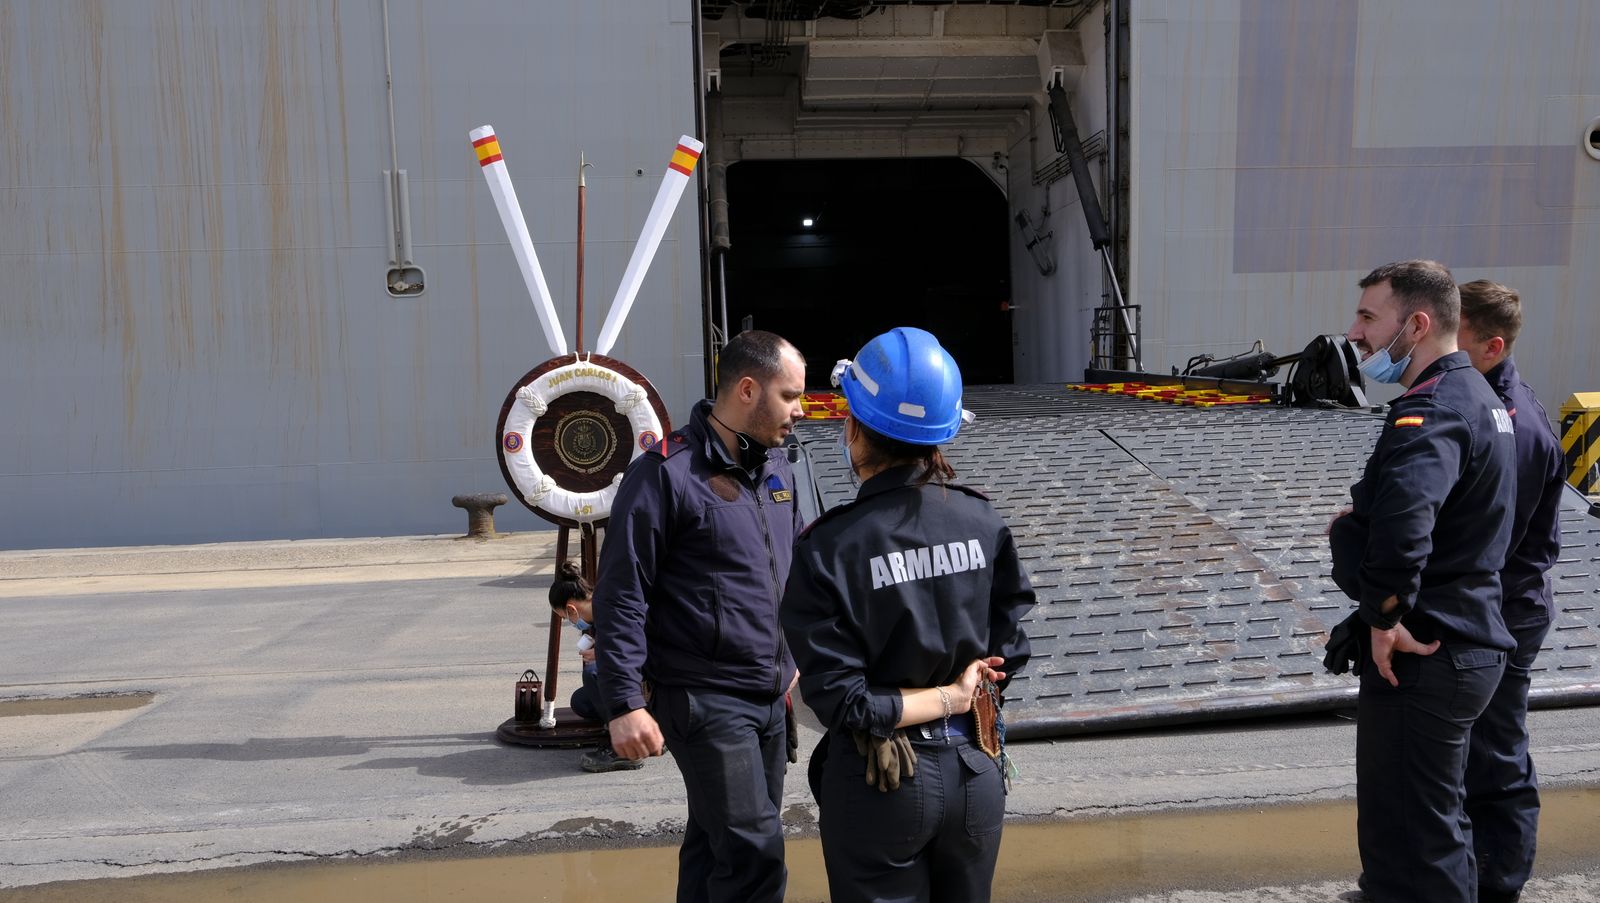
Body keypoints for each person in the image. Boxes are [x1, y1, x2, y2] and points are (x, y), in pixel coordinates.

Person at [780, 326, 1034, 903]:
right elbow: (1009, 652)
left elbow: (844, 701)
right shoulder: (982, 522)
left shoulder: (829, 546)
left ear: (852, 430)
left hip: (882, 780)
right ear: (943, 436)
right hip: (975, 769)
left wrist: (942, 698)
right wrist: (963, 694)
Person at [593, 329, 807, 903]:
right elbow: (622, 594)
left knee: (717, 848)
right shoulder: (666, 474)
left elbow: (796, 567)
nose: (800, 409)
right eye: (789, 396)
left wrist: (799, 658)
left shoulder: (778, 469)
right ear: (746, 390)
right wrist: (624, 703)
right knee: (755, 855)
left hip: (769, 695)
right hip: (705, 697)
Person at [1327, 260, 1518, 903]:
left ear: (1417, 323)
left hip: (1426, 649)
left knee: (1409, 844)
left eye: (1368, 317)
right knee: (1440, 828)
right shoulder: (1483, 400)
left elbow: (1408, 520)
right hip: (1468, 636)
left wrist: (1383, 618)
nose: (1355, 332)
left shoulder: (1431, 409)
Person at [1456, 280, 1567, 903]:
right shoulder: (1490, 404)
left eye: (1455, 340)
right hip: (1498, 603)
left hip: (1506, 609)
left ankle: (1499, 884)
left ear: (1492, 346)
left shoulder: (1515, 428)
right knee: (1476, 750)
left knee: (1496, 755)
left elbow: (1493, 538)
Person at [545, 560, 642, 773]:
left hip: (655, 671)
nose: (572, 622)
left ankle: (625, 746)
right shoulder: (598, 616)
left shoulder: (613, 607)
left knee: (593, 673)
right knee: (581, 701)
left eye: (565, 618)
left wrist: (602, 654)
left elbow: (639, 644)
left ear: (571, 608)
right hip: (637, 676)